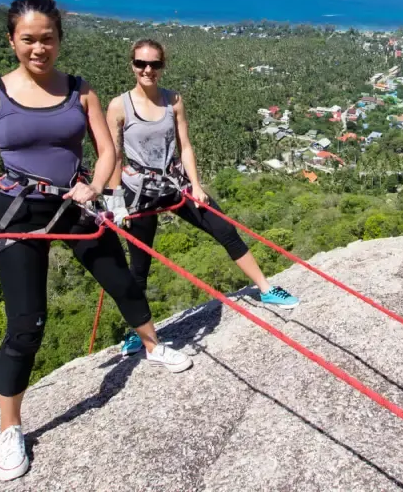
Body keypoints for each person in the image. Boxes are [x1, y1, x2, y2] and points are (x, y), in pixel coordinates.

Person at [0, 0, 191, 482]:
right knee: (26, 324)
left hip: (74, 202)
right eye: (28, 39)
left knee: (121, 279)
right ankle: (10, 429)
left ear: (59, 40)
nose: (39, 48)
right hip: (18, 209)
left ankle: (152, 345)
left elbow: (106, 149)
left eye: (47, 38)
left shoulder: (81, 91)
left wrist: (97, 187)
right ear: (13, 40)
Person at [106, 39, 300, 356]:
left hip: (176, 182)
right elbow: (113, 155)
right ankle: (137, 331)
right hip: (139, 191)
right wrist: (114, 204)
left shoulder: (173, 101)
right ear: (132, 65)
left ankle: (265, 288)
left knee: (224, 229)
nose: (147, 70)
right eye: (141, 63)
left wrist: (196, 185)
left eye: (154, 64)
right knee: (139, 264)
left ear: (162, 66)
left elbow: (185, 146)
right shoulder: (119, 106)